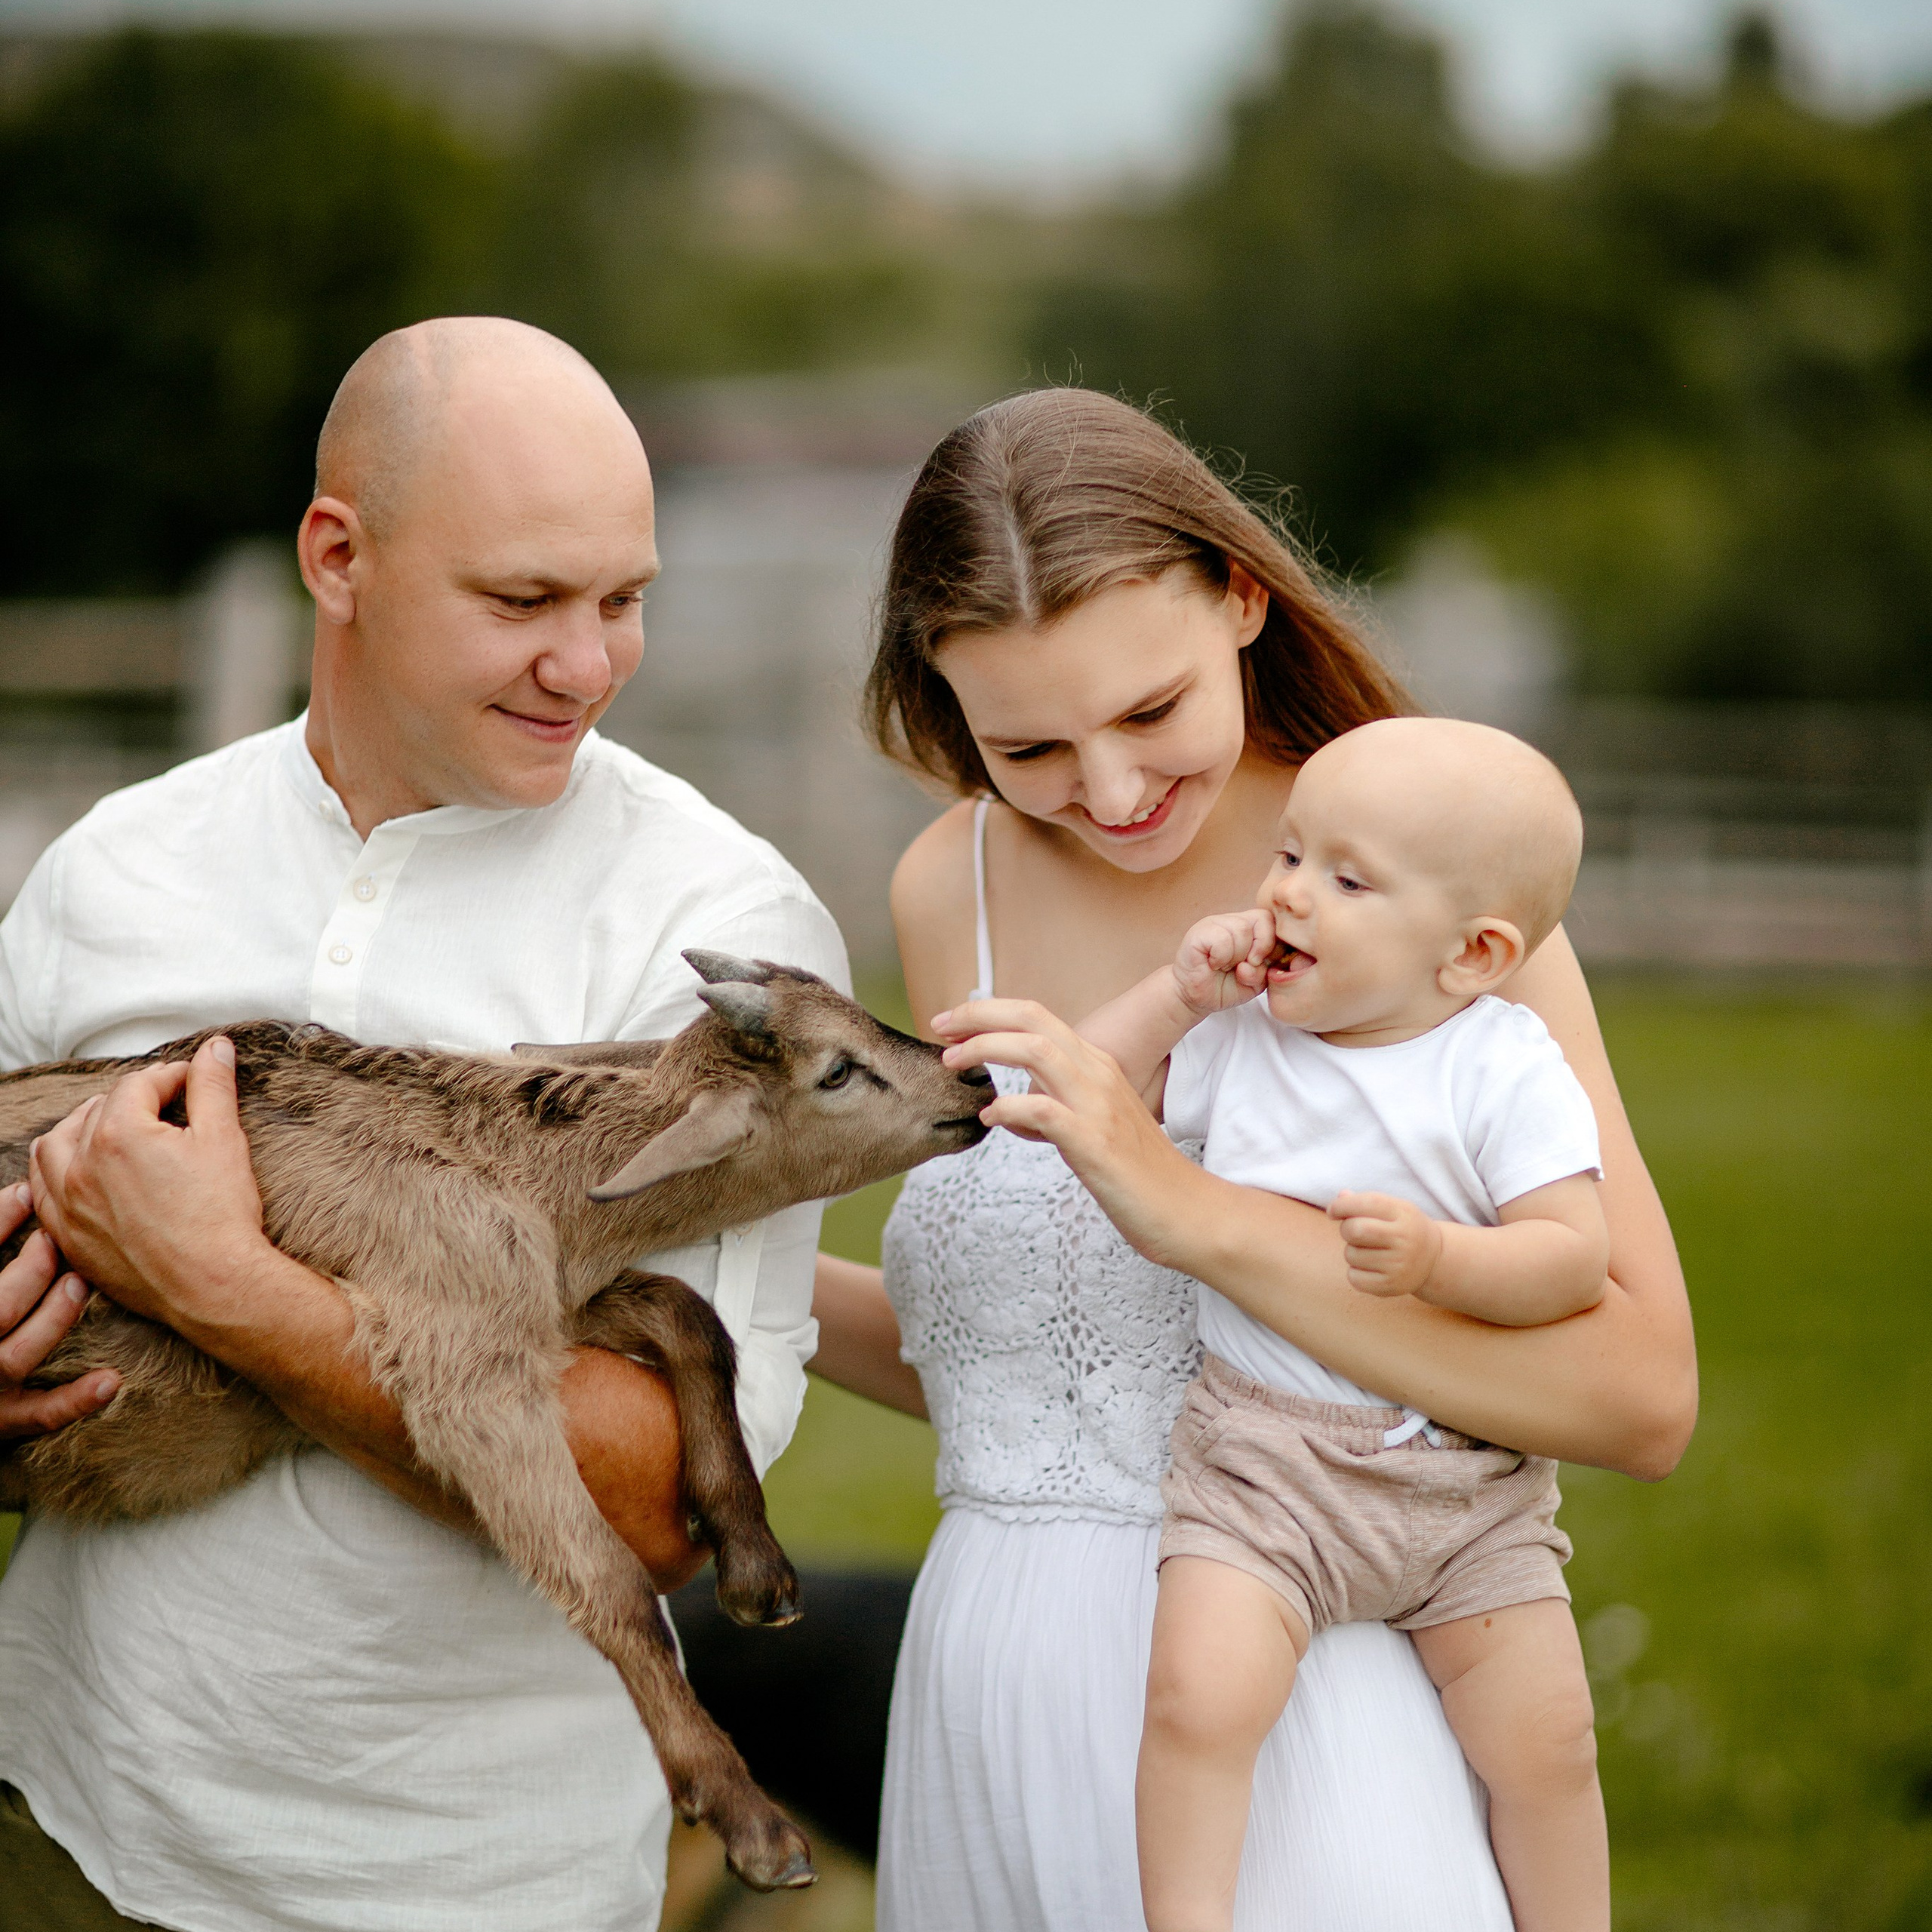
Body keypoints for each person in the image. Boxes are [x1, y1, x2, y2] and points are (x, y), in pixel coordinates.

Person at [808, 387, 1695, 1930]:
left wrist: (1196, 1216)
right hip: (983, 1695)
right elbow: (1025, 1360)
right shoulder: (948, 882)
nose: (1107, 790)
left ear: (1239, 596)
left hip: (1301, 1677)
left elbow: (1637, 1390)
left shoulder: (1420, 877)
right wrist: (673, 1277)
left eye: (1148, 712)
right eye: (1024, 742)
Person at [0, 316, 845, 1932]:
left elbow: (665, 1497)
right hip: (69, 1824)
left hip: (475, 1877)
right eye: (523, 599)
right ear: (338, 557)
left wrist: (228, 1286)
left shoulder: (718, 933)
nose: (587, 663)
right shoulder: (115, 869)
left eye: (624, 600)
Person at [1036, 715, 1610, 1932]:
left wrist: (1444, 1257)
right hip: (1265, 1465)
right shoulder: (1245, 1036)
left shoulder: (1503, 1065)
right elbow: (1088, 1094)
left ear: (1473, 954)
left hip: (1466, 1485)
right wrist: (1172, 995)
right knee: (1199, 1697)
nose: (1289, 892)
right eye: (1290, 855)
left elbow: (1572, 1260)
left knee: (1548, 1739)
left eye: (1345, 879)